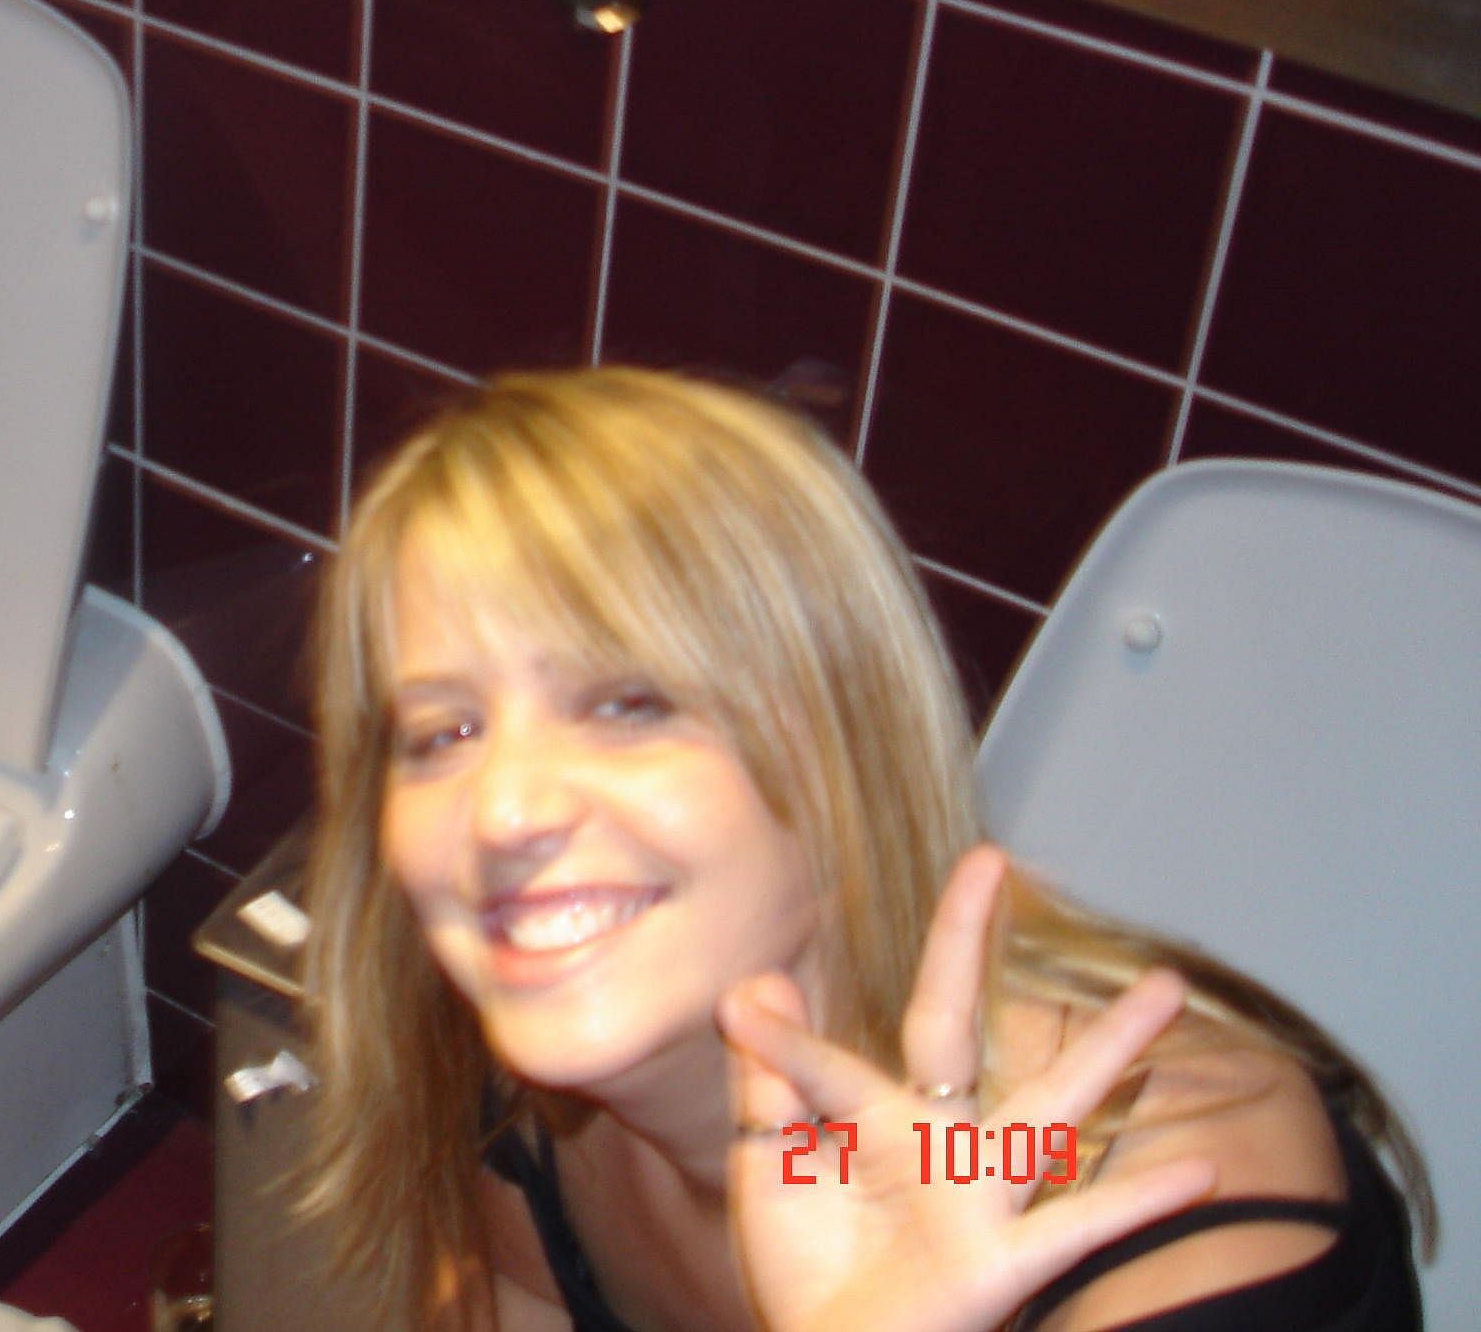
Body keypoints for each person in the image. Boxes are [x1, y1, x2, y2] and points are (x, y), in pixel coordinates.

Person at [301, 368, 1427, 1332]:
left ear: (854, 755)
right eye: (442, 734)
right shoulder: (537, 1086)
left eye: (630, 704)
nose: (502, 815)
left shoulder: (1190, 1213)